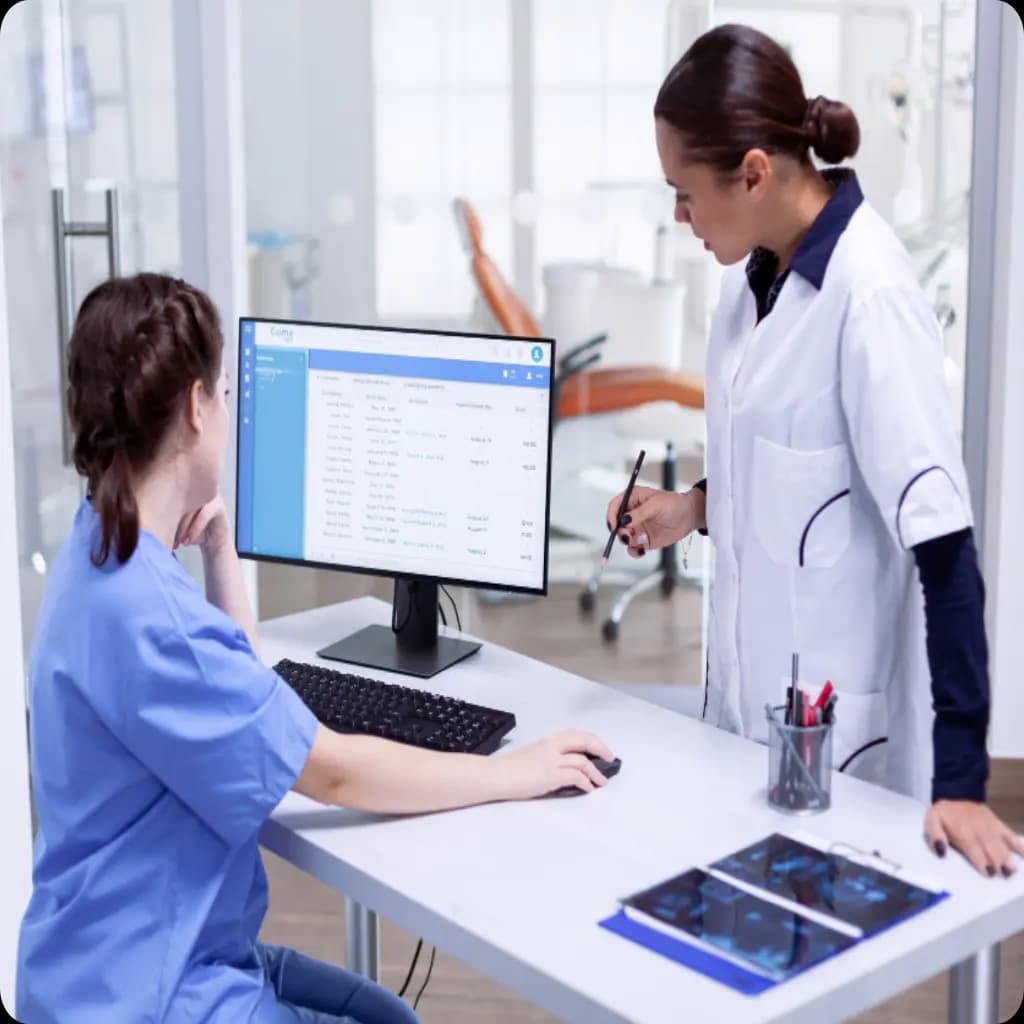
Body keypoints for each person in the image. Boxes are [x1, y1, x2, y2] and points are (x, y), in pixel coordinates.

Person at [17, 273, 613, 1023]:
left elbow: (233, 686)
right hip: (153, 992)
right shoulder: (156, 620)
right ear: (197, 406)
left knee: (392, 1014)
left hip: (101, 960)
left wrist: (220, 549)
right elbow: (332, 773)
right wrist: (511, 771)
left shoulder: (98, 552)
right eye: (224, 393)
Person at [608, 24, 1023, 877]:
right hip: (739, 718)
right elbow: (795, 466)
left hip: (842, 746)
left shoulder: (870, 298)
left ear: (755, 172)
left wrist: (961, 781)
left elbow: (945, 549)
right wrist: (691, 509)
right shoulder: (748, 279)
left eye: (685, 193)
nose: (680, 217)